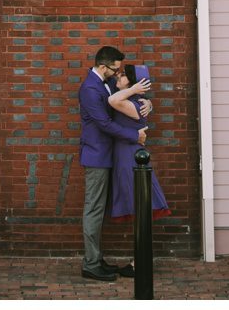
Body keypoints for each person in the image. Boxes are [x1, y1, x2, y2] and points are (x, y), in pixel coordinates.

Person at [78, 45, 145, 281]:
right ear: (102, 66)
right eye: (115, 69)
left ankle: (97, 259)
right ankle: (91, 264)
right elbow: (104, 124)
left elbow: (121, 102)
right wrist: (135, 136)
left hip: (108, 155)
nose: (117, 73)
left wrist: (147, 104)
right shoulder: (89, 88)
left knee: (98, 210)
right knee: (94, 210)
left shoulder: (104, 84)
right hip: (97, 156)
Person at [107, 64, 168, 223]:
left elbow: (112, 100)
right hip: (123, 152)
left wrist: (135, 90)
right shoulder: (133, 100)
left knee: (138, 198)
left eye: (123, 75)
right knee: (132, 196)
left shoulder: (135, 104)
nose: (118, 76)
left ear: (133, 83)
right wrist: (149, 101)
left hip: (130, 155)